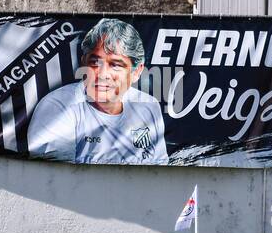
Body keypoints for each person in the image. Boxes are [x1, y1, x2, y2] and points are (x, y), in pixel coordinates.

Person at [27, 18, 168, 165]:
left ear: (137, 72)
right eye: (95, 62)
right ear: (84, 63)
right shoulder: (57, 107)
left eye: (115, 65)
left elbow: (158, 170)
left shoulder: (148, 106)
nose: (102, 74)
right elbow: (56, 179)